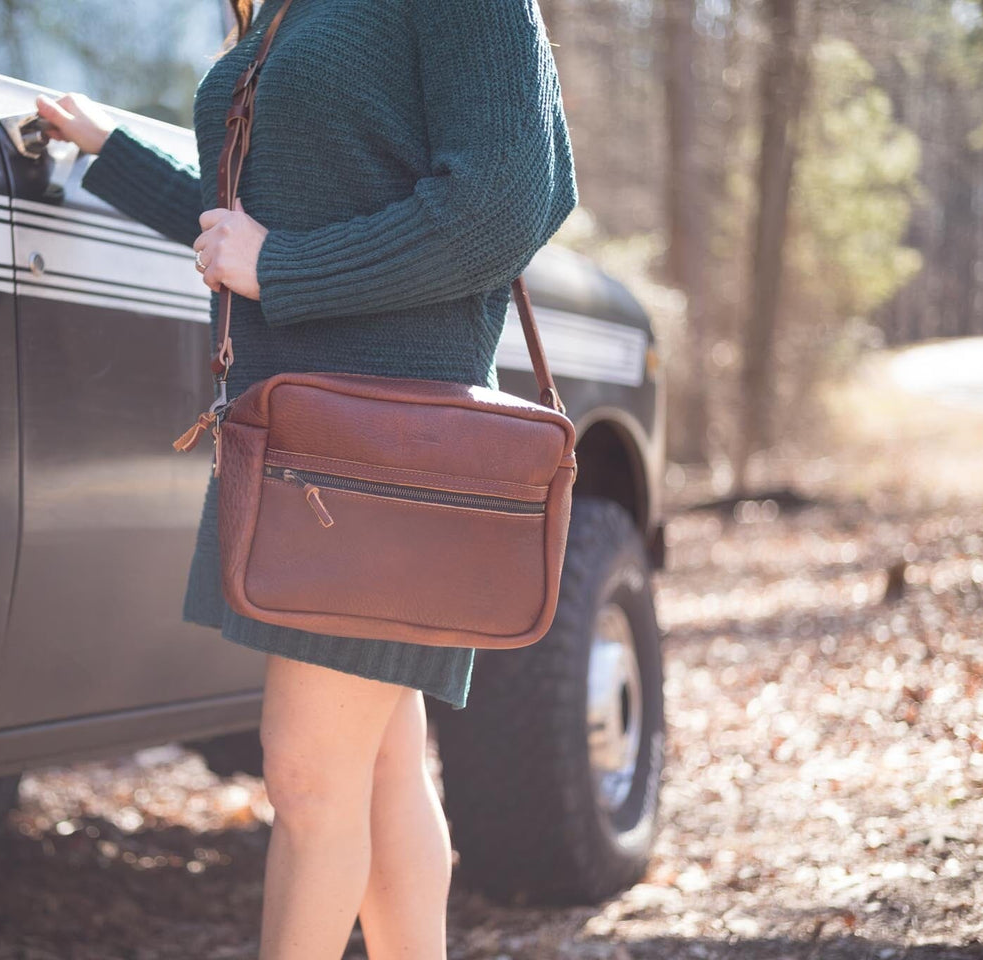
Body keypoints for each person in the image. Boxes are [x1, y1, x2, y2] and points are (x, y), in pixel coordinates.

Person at [34, 0, 577, 955]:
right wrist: (108, 147)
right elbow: (258, 212)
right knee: (375, 775)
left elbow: (507, 203)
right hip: (312, 443)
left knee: (308, 779)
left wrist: (289, 267)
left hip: (382, 452)